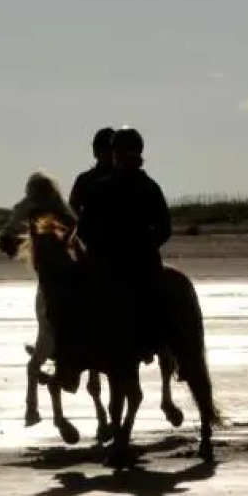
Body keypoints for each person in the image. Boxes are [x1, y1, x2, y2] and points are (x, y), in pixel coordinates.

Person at [77, 126, 172, 362]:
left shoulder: (144, 188)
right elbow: (84, 227)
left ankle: (168, 347)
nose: (122, 158)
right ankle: (71, 358)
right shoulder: (101, 187)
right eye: (120, 153)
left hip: (131, 260)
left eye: (124, 153)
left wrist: (140, 248)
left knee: (159, 297)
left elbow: (163, 228)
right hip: (122, 258)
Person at [68, 126, 115, 240]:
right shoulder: (85, 180)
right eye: (104, 150)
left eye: (109, 150)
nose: (107, 155)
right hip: (92, 245)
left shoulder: (129, 180)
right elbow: (72, 211)